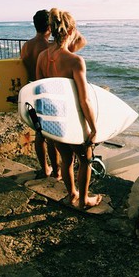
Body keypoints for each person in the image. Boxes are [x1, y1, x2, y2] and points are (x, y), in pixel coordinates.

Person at [36, 8, 102, 210]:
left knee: (66, 159)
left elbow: (41, 93)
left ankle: (72, 194)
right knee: (85, 159)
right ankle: (83, 201)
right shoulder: (75, 61)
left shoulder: (41, 57)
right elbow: (84, 100)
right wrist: (94, 128)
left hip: (53, 119)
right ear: (71, 29)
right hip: (73, 119)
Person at [21, 9, 87, 179]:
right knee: (51, 136)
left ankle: (45, 169)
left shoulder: (26, 46)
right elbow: (81, 42)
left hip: (32, 91)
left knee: (39, 135)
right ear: (50, 27)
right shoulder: (49, 48)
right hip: (50, 94)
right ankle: (57, 171)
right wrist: (70, 29)